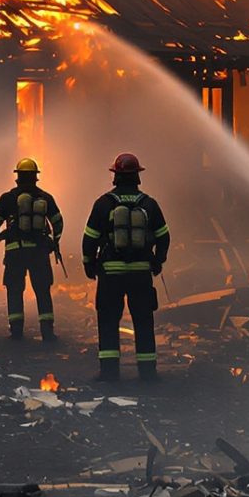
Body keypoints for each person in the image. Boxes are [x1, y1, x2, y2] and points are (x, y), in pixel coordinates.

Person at [81, 152, 168, 380]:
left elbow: (89, 238)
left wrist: (89, 265)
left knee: (109, 321)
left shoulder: (103, 204)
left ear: (115, 177)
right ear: (138, 177)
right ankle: (148, 373)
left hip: (111, 273)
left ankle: (109, 373)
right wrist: (158, 261)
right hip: (140, 273)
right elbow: (164, 237)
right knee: (143, 321)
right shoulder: (149, 204)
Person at [0, 157, 65, 340]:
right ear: (35, 177)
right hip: (39, 253)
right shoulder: (45, 198)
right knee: (42, 290)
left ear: (18, 177)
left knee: (14, 290)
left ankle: (16, 332)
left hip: (15, 252)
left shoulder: (8, 198)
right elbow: (58, 223)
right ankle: (47, 332)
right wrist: (55, 241)